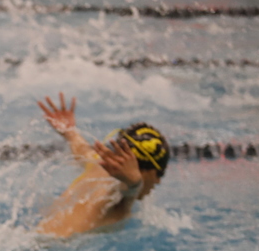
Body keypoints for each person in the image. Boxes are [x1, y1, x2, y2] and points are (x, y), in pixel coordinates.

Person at [36, 92, 170, 238]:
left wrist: (70, 132)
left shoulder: (98, 165)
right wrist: (135, 183)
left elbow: (82, 149)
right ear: (145, 171)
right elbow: (130, 187)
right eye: (159, 173)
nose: (158, 181)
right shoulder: (120, 197)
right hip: (52, 249)